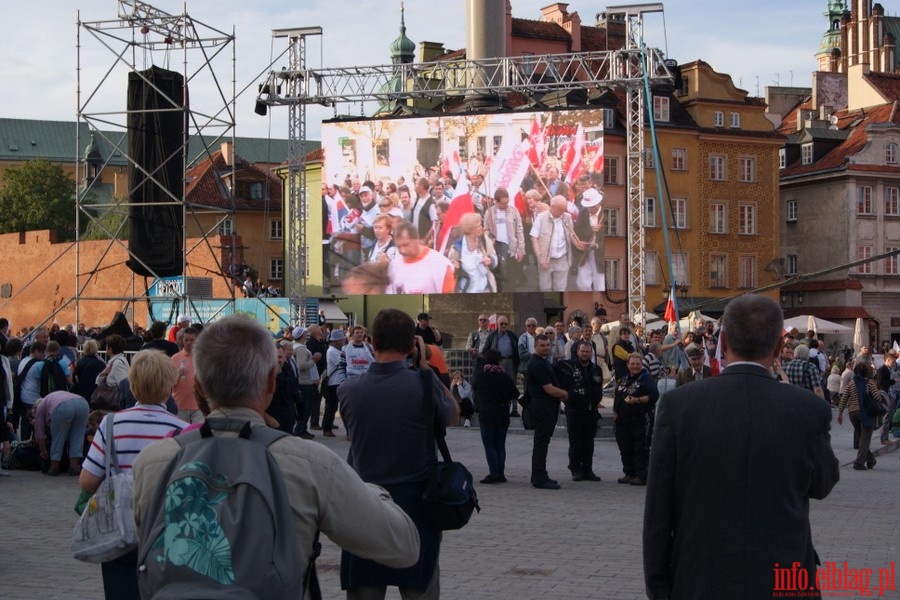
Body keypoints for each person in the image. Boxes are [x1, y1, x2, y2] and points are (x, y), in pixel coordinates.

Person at [133, 316, 421, 600]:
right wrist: (369, 489)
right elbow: (403, 546)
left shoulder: (154, 462)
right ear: (271, 382)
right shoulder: (308, 462)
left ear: (198, 388)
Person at [643, 294, 839, 600]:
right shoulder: (807, 409)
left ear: (722, 341)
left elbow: (658, 510)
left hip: (700, 577)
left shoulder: (678, 406)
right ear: (777, 347)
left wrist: (658, 586)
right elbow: (823, 483)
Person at [338, 308, 458, 599]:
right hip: (417, 507)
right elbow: (453, 413)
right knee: (421, 589)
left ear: (372, 342)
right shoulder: (422, 385)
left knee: (364, 590)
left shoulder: (348, 390)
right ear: (412, 345)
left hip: (365, 505)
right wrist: (425, 369)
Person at [80, 350, 188, 600]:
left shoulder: (109, 425)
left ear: (132, 384)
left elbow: (87, 481)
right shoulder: (182, 430)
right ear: (170, 384)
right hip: (165, 527)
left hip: (119, 527)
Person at [554, 341, 603, 482]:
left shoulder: (596, 369)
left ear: (591, 353)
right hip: (574, 410)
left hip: (591, 410)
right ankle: (576, 469)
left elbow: (598, 389)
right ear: (577, 352)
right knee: (576, 442)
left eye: (587, 351)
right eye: (583, 351)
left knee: (589, 442)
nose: (585, 354)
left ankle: (588, 470)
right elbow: (560, 384)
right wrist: (566, 398)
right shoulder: (569, 367)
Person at [526, 333, 569, 489]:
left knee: (542, 442)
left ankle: (538, 474)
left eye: (547, 345)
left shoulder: (544, 362)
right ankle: (539, 478)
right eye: (542, 345)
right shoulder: (536, 363)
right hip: (541, 407)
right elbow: (549, 389)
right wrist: (565, 394)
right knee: (541, 442)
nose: (545, 348)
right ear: (535, 346)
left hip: (547, 406)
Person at [472, 349, 518, 484]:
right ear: (500, 361)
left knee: (489, 445)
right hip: (502, 412)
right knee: (500, 444)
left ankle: (494, 473)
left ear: (486, 360)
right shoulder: (504, 377)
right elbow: (515, 393)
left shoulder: (481, 376)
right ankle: (501, 473)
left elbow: (474, 387)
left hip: (486, 413)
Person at [613, 353, 659, 486]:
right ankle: (629, 473)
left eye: (637, 364)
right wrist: (615, 411)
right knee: (625, 447)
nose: (635, 366)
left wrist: (638, 400)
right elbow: (618, 395)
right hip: (623, 420)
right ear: (627, 365)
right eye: (632, 364)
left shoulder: (646, 379)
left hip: (640, 419)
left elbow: (653, 395)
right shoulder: (624, 379)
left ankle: (642, 475)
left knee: (640, 447)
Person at [837, 361, 882, 470]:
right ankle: (859, 462)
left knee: (862, 438)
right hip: (865, 413)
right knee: (865, 438)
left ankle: (870, 460)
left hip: (853, 413)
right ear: (866, 372)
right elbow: (877, 398)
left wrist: (840, 413)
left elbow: (844, 398)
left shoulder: (852, 383)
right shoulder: (870, 383)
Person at [387, 223, 455, 294]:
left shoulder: (440, 264)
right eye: (399, 247)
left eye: (406, 245)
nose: (402, 250)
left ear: (417, 239)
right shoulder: (394, 265)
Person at [33, 391, 90, 476]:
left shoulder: (39, 409)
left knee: (58, 438)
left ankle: (54, 468)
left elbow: (40, 435)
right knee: (78, 437)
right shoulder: (50, 399)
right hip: (82, 403)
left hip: (62, 407)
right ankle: (74, 467)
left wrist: (43, 451)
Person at [529, 195, 575, 292]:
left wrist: (579, 244)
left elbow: (571, 235)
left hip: (562, 259)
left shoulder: (567, 218)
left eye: (564, 209)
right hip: (546, 259)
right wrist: (540, 257)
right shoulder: (541, 218)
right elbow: (534, 238)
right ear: (552, 207)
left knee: (560, 288)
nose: (563, 212)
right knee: (545, 288)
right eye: (561, 209)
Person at [447, 213, 498, 293]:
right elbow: (450, 269)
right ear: (471, 229)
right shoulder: (457, 247)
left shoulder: (485, 241)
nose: (482, 228)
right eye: (479, 226)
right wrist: (455, 267)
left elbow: (495, 260)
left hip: (485, 290)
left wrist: (490, 260)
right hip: (465, 291)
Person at [571, 188, 606, 291]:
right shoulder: (583, 213)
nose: (589, 209)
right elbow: (578, 231)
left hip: (600, 254)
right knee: (582, 284)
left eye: (592, 206)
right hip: (585, 253)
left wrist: (597, 244)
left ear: (599, 203)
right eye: (588, 207)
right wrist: (579, 243)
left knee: (600, 284)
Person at [170, 327, 202, 424]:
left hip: (199, 406)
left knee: (199, 434)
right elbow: (169, 384)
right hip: (180, 405)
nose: (189, 343)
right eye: (186, 340)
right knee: (182, 434)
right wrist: (178, 375)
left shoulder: (202, 357)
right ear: (182, 340)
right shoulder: (175, 358)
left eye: (192, 340)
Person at [323, 329, 347, 438]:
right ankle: (326, 428)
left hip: (339, 381)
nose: (343, 341)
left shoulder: (337, 350)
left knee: (333, 406)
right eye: (342, 340)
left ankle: (329, 425)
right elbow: (342, 363)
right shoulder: (332, 351)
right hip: (334, 382)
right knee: (331, 406)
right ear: (336, 341)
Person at [73, 339, 106, 403]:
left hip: (81, 390)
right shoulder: (99, 363)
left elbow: (75, 377)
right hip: (95, 391)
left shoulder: (80, 362)